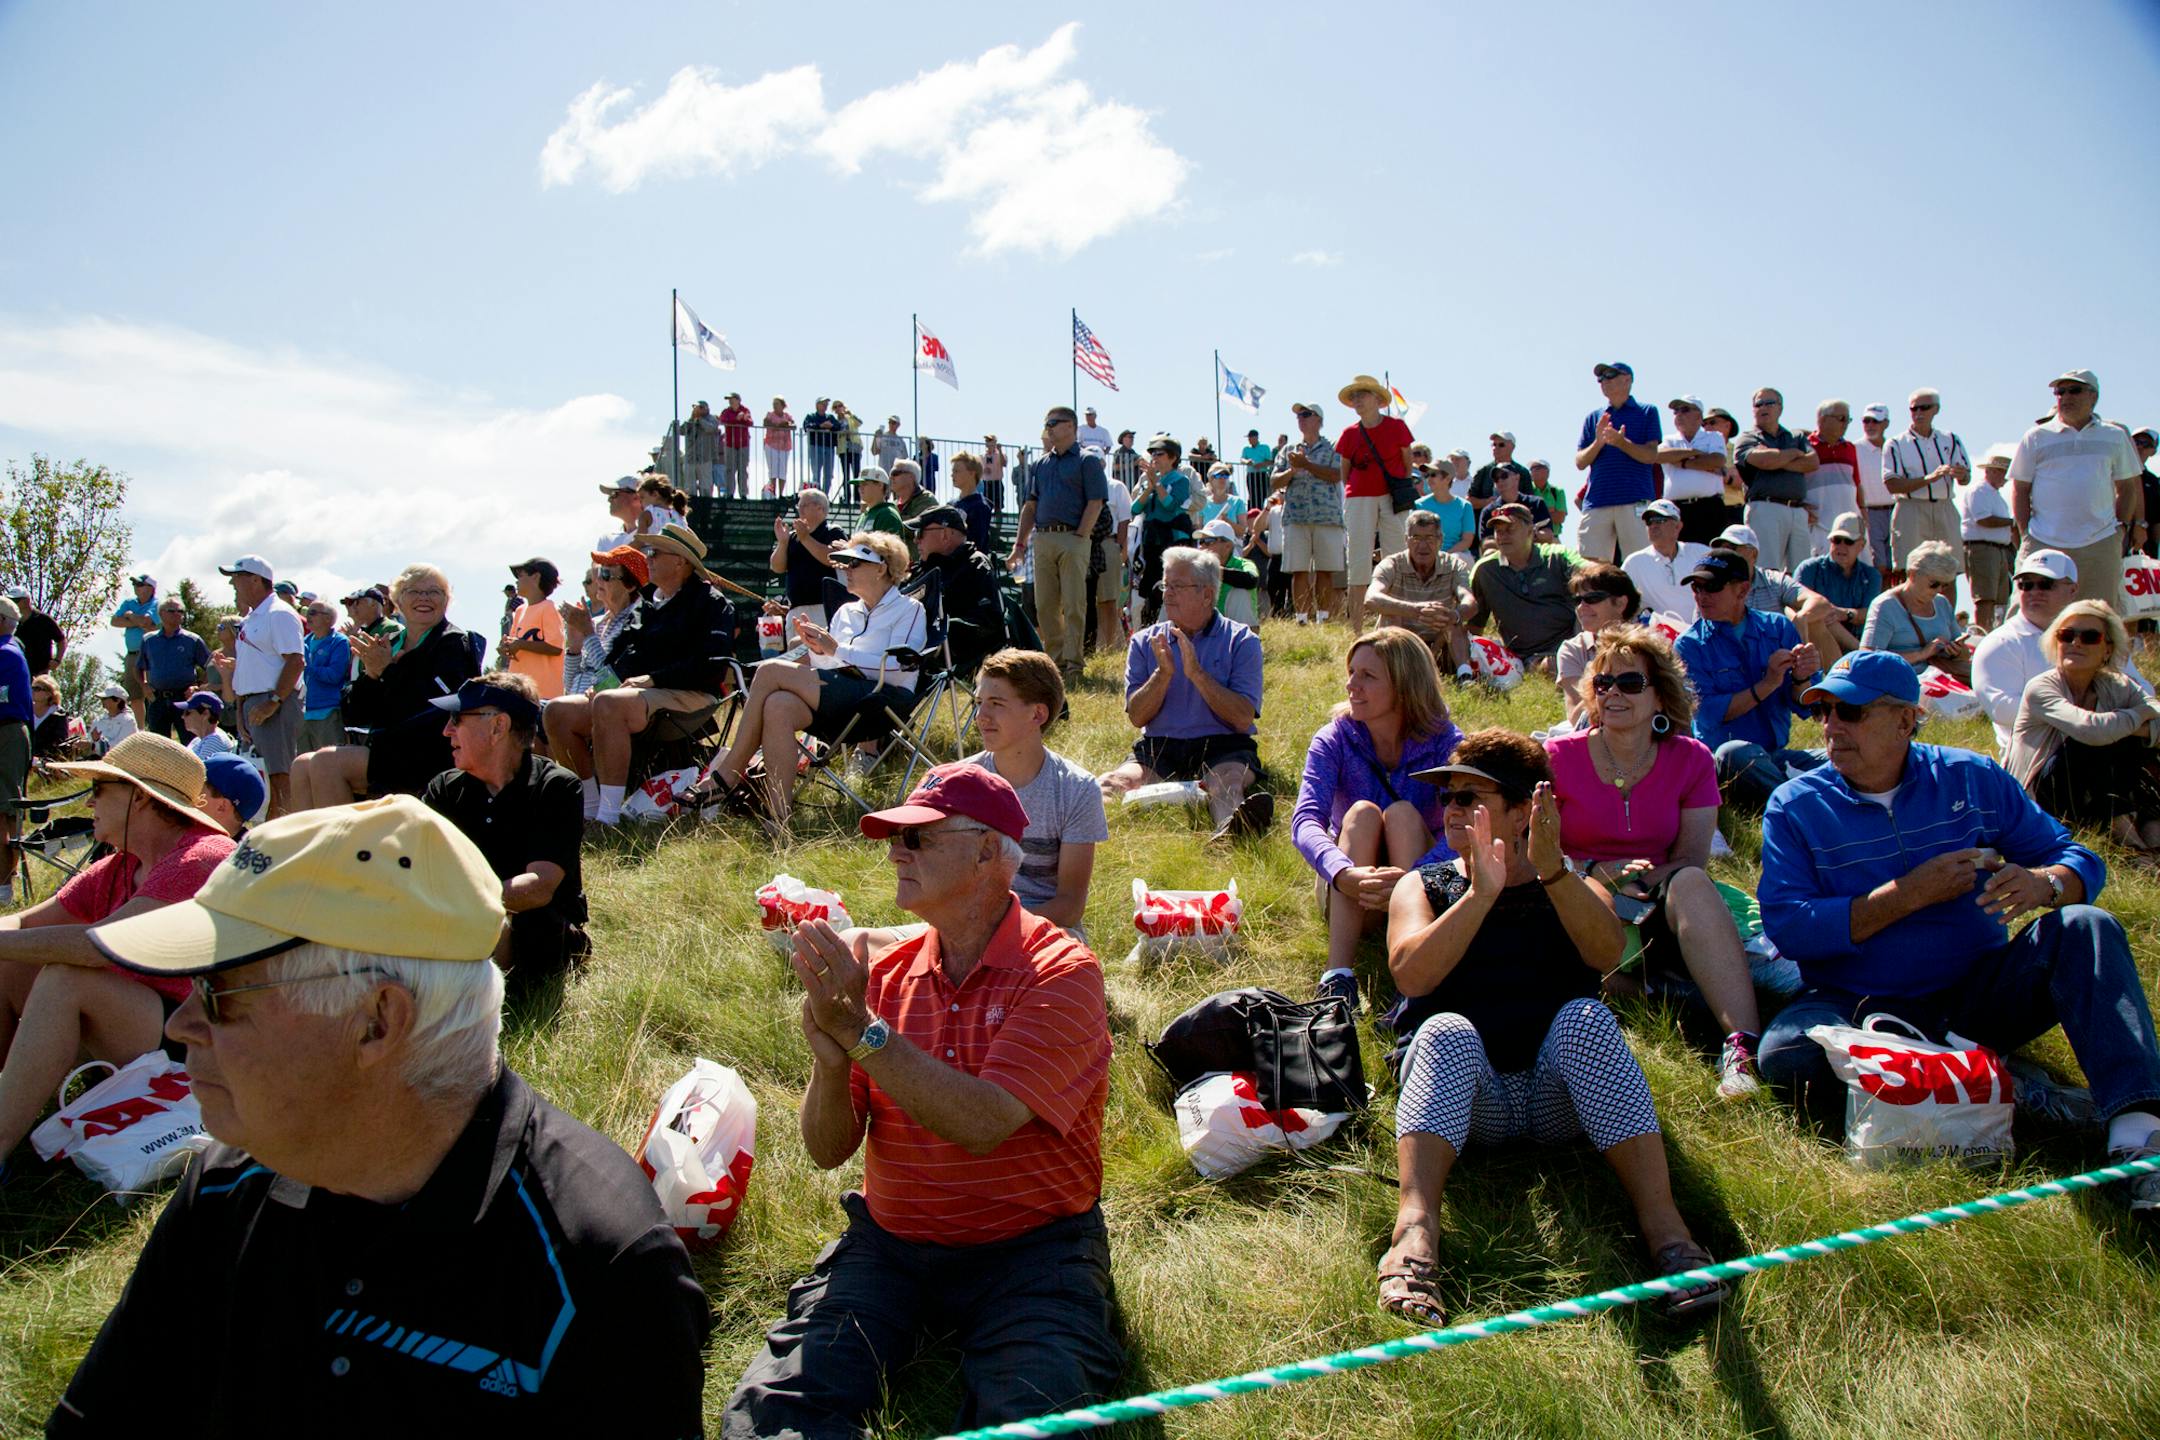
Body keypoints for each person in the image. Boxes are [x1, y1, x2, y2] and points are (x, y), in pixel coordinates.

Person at [56, 796, 708, 1430]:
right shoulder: (227, 1183)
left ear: (377, 1021)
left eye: (216, 991)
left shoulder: (600, 1266)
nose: (182, 1023)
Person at [725, 764, 1118, 1438]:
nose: (896, 853)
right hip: (892, 1244)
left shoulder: (1061, 973)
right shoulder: (881, 969)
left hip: (1030, 1252)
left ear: (989, 852)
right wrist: (828, 1065)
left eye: (919, 840)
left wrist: (858, 1033)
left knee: (1036, 1419)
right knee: (773, 1415)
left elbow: (984, 1121)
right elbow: (827, 1151)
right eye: (894, 839)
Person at [1755, 651, 2160, 1206]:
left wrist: (2044, 884)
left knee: (2086, 926)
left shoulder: (1972, 776)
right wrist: (1906, 895)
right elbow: (1788, 926)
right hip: (1857, 1003)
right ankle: (2012, 1087)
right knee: (1785, 1056)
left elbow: (2078, 858)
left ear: (1905, 719)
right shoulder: (1795, 805)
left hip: (1979, 991)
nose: (1829, 725)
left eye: (1848, 711)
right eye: (1822, 710)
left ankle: (2138, 1136)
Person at [1375, 730, 1727, 1328]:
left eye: (1470, 797)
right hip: (1468, 1100)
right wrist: (1478, 897)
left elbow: (1606, 952)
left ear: (1522, 813)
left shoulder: (1571, 883)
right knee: (1446, 1031)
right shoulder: (1424, 885)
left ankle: (1667, 1234)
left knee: (1587, 1018)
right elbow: (1411, 976)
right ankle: (1414, 1232)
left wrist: (1554, 873)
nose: (1452, 809)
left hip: (1554, 1096)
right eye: (1448, 797)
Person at [0, 735, 236, 1172]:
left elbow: (101, 946)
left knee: (65, 979)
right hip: (148, 1028)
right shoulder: (120, 866)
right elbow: (25, 925)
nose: (90, 805)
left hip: (201, 1048)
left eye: (99, 792)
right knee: (13, 961)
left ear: (140, 798)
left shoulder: (202, 857)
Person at [1547, 628, 1763, 1096]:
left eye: (1629, 683)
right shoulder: (1557, 758)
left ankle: (1741, 1047)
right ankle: (1656, 997)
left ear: (1661, 696)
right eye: (1603, 684)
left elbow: (1691, 857)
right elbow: (1540, 849)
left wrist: (1641, 877)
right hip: (1580, 885)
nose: (1613, 694)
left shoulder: (1691, 759)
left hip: (1661, 890)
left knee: (1689, 882)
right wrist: (1593, 872)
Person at [1295, 628, 1462, 1011]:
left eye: (1367, 676)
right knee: (1362, 814)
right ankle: (1337, 977)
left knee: (1403, 815)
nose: (1351, 684)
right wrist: (1341, 872)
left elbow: (1465, 825)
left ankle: (1412, 972)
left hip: (1421, 883)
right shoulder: (1334, 737)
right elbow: (1305, 820)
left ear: (1404, 685)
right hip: (1350, 886)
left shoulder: (1445, 743)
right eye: (1351, 672)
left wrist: (1415, 878)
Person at [707, 532, 924, 827]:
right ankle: (778, 817)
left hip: (882, 700)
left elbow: (900, 664)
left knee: (769, 671)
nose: (845, 570)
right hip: (839, 693)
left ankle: (729, 772)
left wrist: (836, 648)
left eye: (854, 564)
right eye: (844, 564)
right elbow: (833, 663)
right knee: (778, 705)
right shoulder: (847, 612)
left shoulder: (910, 609)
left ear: (881, 568)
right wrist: (818, 649)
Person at [546, 526, 736, 827]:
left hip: (691, 695)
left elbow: (710, 664)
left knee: (609, 703)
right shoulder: (648, 603)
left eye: (655, 552)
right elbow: (623, 659)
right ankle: (589, 810)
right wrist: (604, 684)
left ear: (680, 562)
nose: (648, 557)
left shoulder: (710, 602)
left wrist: (653, 679)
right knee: (557, 712)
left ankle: (608, 819)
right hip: (640, 695)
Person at [1099, 546, 1272, 841]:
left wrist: (1197, 675)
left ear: (1207, 594)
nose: (1166, 594)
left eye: (1177, 586)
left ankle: (1228, 836)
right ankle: (1081, 838)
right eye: (1165, 585)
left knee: (1226, 782)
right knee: (1110, 783)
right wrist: (1163, 675)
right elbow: (1137, 716)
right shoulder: (1144, 642)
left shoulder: (1242, 641)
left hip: (1224, 745)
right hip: (1160, 746)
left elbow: (1243, 719)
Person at [426, 674, 589, 986]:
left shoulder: (555, 787)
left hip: (535, 938)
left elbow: (539, 887)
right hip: (459, 921)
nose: (447, 730)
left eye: (457, 719)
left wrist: (462, 902)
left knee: (521, 926)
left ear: (497, 726)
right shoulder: (444, 789)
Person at [290, 565, 480, 812]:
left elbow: (433, 704)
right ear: (398, 600)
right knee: (302, 765)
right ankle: (312, 848)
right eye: (414, 591)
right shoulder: (387, 643)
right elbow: (356, 713)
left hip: (431, 747)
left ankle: (346, 850)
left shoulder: (452, 642)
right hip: (391, 744)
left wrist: (387, 671)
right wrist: (371, 674)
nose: (424, 598)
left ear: (447, 600)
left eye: (434, 592)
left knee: (326, 762)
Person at [963, 650, 1106, 934]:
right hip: (962, 927)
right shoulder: (960, 781)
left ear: (1037, 714)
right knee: (861, 940)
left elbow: (1069, 905)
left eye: (996, 704)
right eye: (979, 703)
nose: (981, 717)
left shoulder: (1076, 789)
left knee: (1071, 976)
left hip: (1045, 930)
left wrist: (992, 929)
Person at [2004, 600, 2160, 854]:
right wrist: (2140, 715)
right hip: (2037, 803)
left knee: (2137, 745)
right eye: (2066, 635)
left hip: (2091, 795)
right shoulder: (2042, 687)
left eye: (2089, 637)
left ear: (2107, 649)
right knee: (2092, 742)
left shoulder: (2116, 685)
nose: (2075, 643)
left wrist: (2131, 727)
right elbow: (2091, 730)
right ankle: (2130, 842)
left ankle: (2151, 841)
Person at [1673, 551, 1823, 810]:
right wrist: (1768, 684)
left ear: (1742, 590)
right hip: (1725, 762)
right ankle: (1803, 807)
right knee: (1733, 753)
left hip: (1773, 757)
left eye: (1712, 587)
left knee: (1849, 755)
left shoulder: (1777, 628)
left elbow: (1808, 706)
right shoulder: (1689, 645)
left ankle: (1793, 793)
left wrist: (1802, 677)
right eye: (1696, 587)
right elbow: (1708, 715)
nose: (1701, 595)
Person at [2011, 368, 2144, 611]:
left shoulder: (2114, 436)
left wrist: (2121, 530)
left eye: (2074, 390)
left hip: (2100, 540)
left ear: (2093, 397)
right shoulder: (2036, 437)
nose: (2065, 397)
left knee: (2100, 616)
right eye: (2059, 391)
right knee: (2028, 614)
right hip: (2043, 539)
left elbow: (2128, 487)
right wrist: (2026, 534)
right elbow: (2020, 489)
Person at [1009, 406, 1107, 682]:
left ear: (1071, 427)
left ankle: (1074, 665)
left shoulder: (1087, 461)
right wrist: (1019, 544)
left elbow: (1096, 502)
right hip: (1042, 537)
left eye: (1054, 422)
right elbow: (1030, 506)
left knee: (1075, 603)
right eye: (1046, 423)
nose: (1049, 427)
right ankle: (1056, 665)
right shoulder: (1041, 464)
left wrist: (1080, 536)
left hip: (1073, 537)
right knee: (1045, 605)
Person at [211, 555, 304, 817]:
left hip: (275, 704)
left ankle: (284, 834)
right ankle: (273, 833)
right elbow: (249, 668)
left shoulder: (279, 614)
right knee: (266, 774)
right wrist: (241, 711)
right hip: (256, 704)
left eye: (237, 577)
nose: (232, 583)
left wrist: (273, 702)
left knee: (279, 774)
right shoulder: (253, 618)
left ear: (255, 579)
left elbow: (296, 661)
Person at [1336, 376, 1414, 630]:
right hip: (1359, 498)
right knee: (1358, 562)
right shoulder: (1349, 434)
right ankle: (1356, 630)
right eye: (1355, 396)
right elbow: (1344, 471)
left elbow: (1407, 462)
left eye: (1363, 394)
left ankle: (1392, 626)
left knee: (1396, 559)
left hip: (1392, 497)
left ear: (1378, 400)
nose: (1358, 400)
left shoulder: (1397, 427)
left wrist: (1396, 489)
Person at [1366, 510, 1475, 681]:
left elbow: (1469, 600)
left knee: (1453, 619)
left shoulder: (1454, 566)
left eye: (1430, 539)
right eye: (1416, 538)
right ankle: (1396, 675)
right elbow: (1371, 598)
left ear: (1440, 540)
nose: (1422, 546)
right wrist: (1416, 610)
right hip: (1401, 642)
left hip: (1440, 642)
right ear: (1406, 540)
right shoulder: (1390, 564)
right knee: (1391, 614)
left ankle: (1465, 676)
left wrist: (1454, 615)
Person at [1572, 362, 1664, 564]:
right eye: (1601, 378)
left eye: (1610, 375)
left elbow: (1650, 455)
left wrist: (1621, 442)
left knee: (1641, 564)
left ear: (1628, 379)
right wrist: (1599, 442)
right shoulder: (1594, 418)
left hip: (1635, 500)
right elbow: (1580, 462)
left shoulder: (1647, 412)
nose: (1604, 381)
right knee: (1591, 568)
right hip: (1597, 500)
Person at [1467, 503, 1577, 671]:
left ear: (1530, 531)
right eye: (1498, 531)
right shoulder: (1485, 571)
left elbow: (1593, 575)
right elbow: (1475, 623)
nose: (1503, 536)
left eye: (1510, 529)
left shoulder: (1557, 558)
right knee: (1550, 667)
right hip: (1523, 657)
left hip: (1571, 645)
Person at [908, 505, 1007, 676]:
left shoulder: (975, 565)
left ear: (945, 534)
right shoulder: (924, 569)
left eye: (920, 533)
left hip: (949, 654)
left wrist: (940, 631)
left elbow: (988, 621)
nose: (916, 540)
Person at [1884, 387, 1971, 582]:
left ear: (1936, 409)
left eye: (1924, 408)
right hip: (1911, 508)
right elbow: (1892, 484)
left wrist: (1961, 474)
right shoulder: (1895, 443)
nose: (1918, 413)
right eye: (1914, 409)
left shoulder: (1950, 439)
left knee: (1949, 571)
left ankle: (1947, 613)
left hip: (1944, 506)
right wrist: (1927, 479)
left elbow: (1966, 478)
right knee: (1911, 572)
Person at [1273, 401, 1347, 625]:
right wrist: (1292, 471)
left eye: (1306, 414)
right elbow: (1274, 481)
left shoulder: (1333, 447)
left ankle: (1323, 619)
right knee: (1298, 571)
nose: (1301, 418)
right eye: (1299, 415)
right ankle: (1302, 619)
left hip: (1327, 517)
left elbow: (1337, 475)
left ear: (1319, 420)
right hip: (1296, 516)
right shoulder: (1287, 450)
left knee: (1325, 570)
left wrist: (1306, 464)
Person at [1734, 388, 1820, 577]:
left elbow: (1812, 462)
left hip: (1797, 510)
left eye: (1769, 403)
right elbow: (1764, 461)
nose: (1763, 407)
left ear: (1780, 408)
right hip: (1765, 507)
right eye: (1758, 404)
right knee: (1766, 571)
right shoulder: (1747, 438)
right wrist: (1794, 455)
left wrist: (1776, 460)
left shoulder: (1796, 436)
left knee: (1801, 573)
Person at [1860, 541, 1970, 682]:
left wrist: (1956, 651)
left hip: (1943, 681)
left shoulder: (1941, 603)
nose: (1939, 590)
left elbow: (1964, 654)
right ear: (1912, 574)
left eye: (1944, 584)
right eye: (1934, 584)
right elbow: (1867, 658)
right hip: (1904, 683)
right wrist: (1920, 654)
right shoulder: (1885, 605)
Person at [1555, 565, 1643, 727]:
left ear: (1621, 603)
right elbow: (1577, 718)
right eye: (1577, 600)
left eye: (1592, 598)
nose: (1582, 607)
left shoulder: (1648, 646)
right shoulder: (1572, 650)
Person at [1794, 513, 1883, 660]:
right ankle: (1864, 653)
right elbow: (1796, 609)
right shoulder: (1809, 569)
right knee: (1819, 613)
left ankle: (1863, 653)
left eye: (1848, 541)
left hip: (1855, 643)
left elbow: (1872, 614)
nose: (1841, 546)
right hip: (1817, 648)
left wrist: (1844, 613)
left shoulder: (1871, 575)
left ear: (1861, 545)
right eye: (1836, 540)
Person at [1129, 433, 1196, 626]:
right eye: (1152, 454)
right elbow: (1135, 509)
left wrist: (1156, 484)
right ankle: (1150, 629)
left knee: (1171, 584)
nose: (1154, 458)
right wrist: (1150, 486)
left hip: (1172, 542)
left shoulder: (1180, 480)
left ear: (1173, 457)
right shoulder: (1149, 480)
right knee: (1150, 587)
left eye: (1159, 453)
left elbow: (1169, 504)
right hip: (1151, 543)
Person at [562, 546, 645, 697]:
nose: (597, 580)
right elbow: (569, 685)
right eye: (600, 572)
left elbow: (614, 681)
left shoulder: (637, 624)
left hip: (603, 709)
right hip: (576, 706)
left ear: (630, 585)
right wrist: (574, 648)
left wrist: (588, 633)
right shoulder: (597, 623)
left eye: (606, 575)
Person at [769, 486, 844, 632]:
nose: (800, 509)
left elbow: (833, 559)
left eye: (804, 505)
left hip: (823, 607)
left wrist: (805, 538)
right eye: (799, 506)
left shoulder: (833, 531)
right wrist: (783, 542)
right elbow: (777, 567)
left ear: (820, 508)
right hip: (796, 609)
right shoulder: (793, 537)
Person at [135, 597, 211, 740]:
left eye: (180, 611)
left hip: (185, 699)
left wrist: (198, 687)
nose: (177, 614)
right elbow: (138, 667)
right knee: (158, 746)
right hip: (158, 699)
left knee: (191, 742)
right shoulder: (149, 640)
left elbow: (210, 666)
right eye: (172, 611)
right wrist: (144, 685)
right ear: (161, 614)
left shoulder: (192, 640)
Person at [1657, 396, 1731, 543]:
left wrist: (1682, 462)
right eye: (1676, 411)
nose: (1679, 414)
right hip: (1676, 510)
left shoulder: (1714, 437)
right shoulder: (1669, 440)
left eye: (1684, 410)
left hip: (1709, 509)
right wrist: (1695, 453)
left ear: (1698, 415)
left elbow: (1717, 461)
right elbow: (1659, 456)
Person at [1622, 498, 1708, 622]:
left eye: (1660, 520)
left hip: (1702, 634)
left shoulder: (1700, 553)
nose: (1653, 526)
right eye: (1649, 522)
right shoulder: (1634, 563)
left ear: (1678, 526)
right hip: (1659, 637)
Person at [1962, 445, 2018, 630]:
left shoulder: (1995, 495)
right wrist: (2012, 522)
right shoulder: (1979, 491)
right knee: (1985, 597)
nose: (2005, 479)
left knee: (2000, 598)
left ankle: (1993, 632)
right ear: (1991, 471)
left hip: (1998, 550)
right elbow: (1984, 520)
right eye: (2002, 473)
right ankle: (1982, 632)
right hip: (1982, 548)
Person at [498, 558, 565, 702]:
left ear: (536, 577)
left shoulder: (548, 608)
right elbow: (515, 644)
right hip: (520, 692)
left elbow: (555, 647)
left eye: (520, 575)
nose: (516, 581)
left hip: (544, 694)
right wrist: (506, 647)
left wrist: (521, 644)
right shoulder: (520, 611)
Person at [1805, 399, 1861, 553]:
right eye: (1841, 418)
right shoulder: (1805, 447)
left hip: (1851, 527)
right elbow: (1793, 483)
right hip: (1818, 527)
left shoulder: (1850, 448)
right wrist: (1800, 507)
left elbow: (1857, 485)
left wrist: (1864, 517)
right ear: (1822, 419)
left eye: (1848, 419)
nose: (1846, 424)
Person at [296, 598, 351, 754]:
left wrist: (307, 668)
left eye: (312, 613)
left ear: (328, 618)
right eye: (307, 612)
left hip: (328, 712)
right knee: (303, 766)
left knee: (329, 765)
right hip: (303, 713)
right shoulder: (304, 641)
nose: (308, 616)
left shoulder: (339, 642)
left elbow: (334, 675)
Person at [0, 600, 26, 902]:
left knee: (4, 809)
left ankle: (4, 887)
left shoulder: (6, 653)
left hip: (5, 732)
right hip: (6, 731)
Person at [109, 575, 159, 727]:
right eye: (135, 584)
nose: (136, 587)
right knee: (135, 695)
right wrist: (139, 622)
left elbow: (148, 622)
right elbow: (114, 621)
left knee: (151, 692)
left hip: (151, 654)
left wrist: (130, 616)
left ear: (151, 588)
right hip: (132, 655)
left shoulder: (156, 604)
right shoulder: (128, 602)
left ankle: (156, 728)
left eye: (140, 584)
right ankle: (141, 730)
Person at [1471, 459, 1555, 549]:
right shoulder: (1489, 511)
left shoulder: (1536, 503)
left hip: (1532, 553)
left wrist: (1529, 534)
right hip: (1501, 557)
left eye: (1504, 476)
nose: (1500, 480)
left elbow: (1548, 535)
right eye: (1496, 479)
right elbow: (1485, 543)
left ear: (1517, 477)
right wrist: (1512, 540)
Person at [1854, 402, 1897, 573]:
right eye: (1866, 421)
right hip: (1869, 513)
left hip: (1896, 511)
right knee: (1877, 566)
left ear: (1886, 423)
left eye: (1875, 421)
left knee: (1897, 566)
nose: (1870, 426)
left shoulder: (1895, 447)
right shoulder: (1855, 448)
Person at [1199, 518, 1261, 629]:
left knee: (1240, 591)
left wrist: (1215, 571)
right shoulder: (1196, 568)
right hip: (1206, 629)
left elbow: (1251, 580)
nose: (1202, 546)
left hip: (1238, 628)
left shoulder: (1243, 564)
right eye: (1201, 542)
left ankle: (1244, 642)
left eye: (1209, 541)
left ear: (1227, 546)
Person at [1413, 447, 1477, 555]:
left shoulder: (1465, 506)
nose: (1429, 479)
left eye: (1433, 475)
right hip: (1425, 555)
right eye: (1427, 475)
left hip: (1456, 556)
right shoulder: (1419, 505)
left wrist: (1446, 556)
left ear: (1447, 478)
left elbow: (1467, 541)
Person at [8, 587, 65, 678]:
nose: (12, 603)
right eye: (10, 600)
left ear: (26, 601)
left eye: (16, 600)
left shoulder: (44, 620)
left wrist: (57, 660)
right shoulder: (10, 621)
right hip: (16, 672)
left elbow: (61, 640)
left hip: (39, 674)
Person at [949, 450, 995, 551]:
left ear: (971, 473)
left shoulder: (980, 506)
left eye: (956, 471)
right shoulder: (950, 505)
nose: (952, 475)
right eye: (952, 471)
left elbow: (978, 543)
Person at [852, 465, 908, 544]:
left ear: (880, 485)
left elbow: (890, 551)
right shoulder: (862, 516)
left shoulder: (888, 515)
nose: (860, 488)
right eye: (859, 485)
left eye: (865, 484)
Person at [718, 390, 755, 499]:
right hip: (730, 444)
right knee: (730, 469)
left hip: (743, 444)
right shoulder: (726, 411)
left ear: (738, 400)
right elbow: (723, 420)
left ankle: (743, 493)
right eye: (729, 400)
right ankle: (730, 493)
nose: (730, 401)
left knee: (743, 470)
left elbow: (750, 422)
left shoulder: (745, 410)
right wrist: (736, 419)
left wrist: (743, 418)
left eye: (732, 399)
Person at [680, 398, 719, 501]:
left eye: (701, 408)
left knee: (705, 485)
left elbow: (710, 428)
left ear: (707, 409)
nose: (698, 410)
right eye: (696, 408)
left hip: (704, 458)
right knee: (690, 485)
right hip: (690, 457)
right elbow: (682, 431)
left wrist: (700, 419)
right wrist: (692, 419)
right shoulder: (691, 420)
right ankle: (691, 503)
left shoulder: (712, 419)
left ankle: (706, 505)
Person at [178, 691, 234, 760]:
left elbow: (198, 770)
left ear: (205, 713)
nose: (183, 716)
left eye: (187, 712)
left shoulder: (215, 740)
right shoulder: (198, 740)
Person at [595, 474, 644, 552]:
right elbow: (597, 563)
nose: (609, 499)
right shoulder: (606, 539)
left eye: (614, 494)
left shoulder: (656, 532)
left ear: (636, 497)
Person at [802, 397, 841, 490]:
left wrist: (831, 426)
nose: (825, 406)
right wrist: (821, 426)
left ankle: (825, 495)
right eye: (823, 404)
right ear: (817, 405)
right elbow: (807, 426)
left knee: (829, 474)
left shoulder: (830, 417)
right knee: (816, 472)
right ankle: (817, 494)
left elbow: (838, 426)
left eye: (826, 404)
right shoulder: (811, 416)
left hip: (829, 447)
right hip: (815, 446)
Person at [89, 683, 136, 755]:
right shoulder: (98, 720)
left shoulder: (129, 722)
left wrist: (94, 744)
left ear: (117, 700)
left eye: (105, 698)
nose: (102, 701)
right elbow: (90, 740)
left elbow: (121, 747)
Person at [762, 396, 795, 494]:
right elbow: (766, 423)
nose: (774, 406)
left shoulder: (787, 416)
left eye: (777, 404)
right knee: (773, 470)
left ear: (782, 405)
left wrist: (787, 424)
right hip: (771, 444)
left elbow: (793, 425)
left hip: (785, 446)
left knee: (782, 471)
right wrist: (780, 426)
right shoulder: (770, 415)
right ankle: (773, 492)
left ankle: (780, 493)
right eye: (774, 404)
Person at [891, 457, 936, 524]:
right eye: (891, 473)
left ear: (911, 477)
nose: (891, 477)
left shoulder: (926, 499)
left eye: (895, 473)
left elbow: (916, 524)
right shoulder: (893, 505)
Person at [1240, 428, 1274, 510]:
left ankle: (1260, 512)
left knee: (1262, 495)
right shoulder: (1246, 449)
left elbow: (1270, 461)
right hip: (1251, 475)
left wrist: (1261, 465)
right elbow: (1242, 459)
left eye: (1250, 437)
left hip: (1262, 474)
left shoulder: (1265, 447)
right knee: (1252, 495)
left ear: (1256, 437)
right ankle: (1252, 512)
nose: (1249, 439)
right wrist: (1247, 461)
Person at [835, 399, 865, 485]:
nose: (838, 408)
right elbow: (834, 434)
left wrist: (850, 414)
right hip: (843, 449)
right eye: (835, 407)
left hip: (854, 447)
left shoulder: (850, 418)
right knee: (846, 475)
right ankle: (847, 496)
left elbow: (860, 423)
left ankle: (857, 497)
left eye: (840, 406)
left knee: (856, 474)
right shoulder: (835, 421)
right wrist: (841, 433)